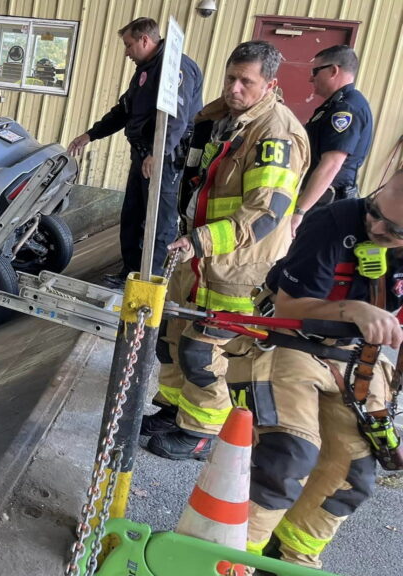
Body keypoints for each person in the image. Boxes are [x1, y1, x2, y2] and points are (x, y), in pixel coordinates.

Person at [143, 41, 309, 460]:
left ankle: (202, 431)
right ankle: (175, 410)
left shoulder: (275, 134)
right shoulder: (219, 117)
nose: (234, 89)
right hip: (197, 257)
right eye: (230, 78)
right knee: (172, 338)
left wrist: (199, 240)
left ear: (269, 84)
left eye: (246, 82)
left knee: (205, 350)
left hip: (238, 265)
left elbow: (264, 213)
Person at [247, 171, 403, 568]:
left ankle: (288, 556)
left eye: (393, 230)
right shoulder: (332, 222)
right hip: (292, 338)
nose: (377, 226)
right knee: (288, 454)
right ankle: (231, 554)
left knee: (353, 473)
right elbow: (289, 309)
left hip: (355, 358)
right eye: (374, 211)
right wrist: (352, 308)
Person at [67, 17, 203, 288]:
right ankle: (130, 272)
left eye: (129, 45)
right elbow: (124, 110)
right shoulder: (146, 69)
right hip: (143, 155)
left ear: (145, 40)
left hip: (165, 158)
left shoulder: (175, 68)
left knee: (159, 222)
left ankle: (150, 283)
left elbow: (176, 118)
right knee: (133, 216)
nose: (127, 52)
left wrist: (158, 153)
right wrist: (90, 135)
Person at [291, 45, 373, 236]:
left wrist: (299, 211)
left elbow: (331, 165)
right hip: (320, 201)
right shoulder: (336, 105)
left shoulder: (346, 109)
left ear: (334, 70)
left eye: (315, 71)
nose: (311, 78)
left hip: (325, 204)